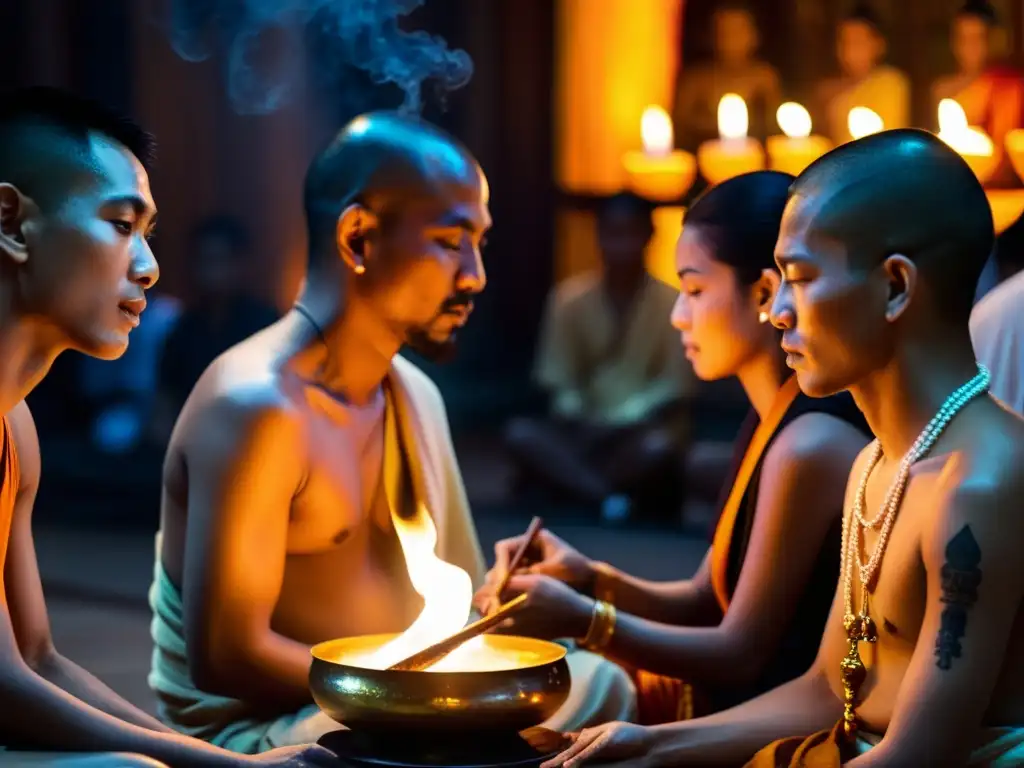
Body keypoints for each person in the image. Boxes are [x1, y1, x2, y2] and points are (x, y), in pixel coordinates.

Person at [149, 111, 636, 753]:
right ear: (358, 238)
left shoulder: (416, 395)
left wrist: (483, 626)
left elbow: (457, 608)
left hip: (403, 700)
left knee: (601, 688)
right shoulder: (256, 406)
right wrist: (418, 694)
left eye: (479, 245)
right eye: (449, 240)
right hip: (283, 726)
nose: (474, 276)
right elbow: (227, 657)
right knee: (409, 752)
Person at [544, 129, 1024, 767]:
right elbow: (829, 691)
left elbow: (916, 756)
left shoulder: (978, 486)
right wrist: (652, 746)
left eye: (799, 278)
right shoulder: (875, 463)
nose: (778, 313)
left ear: (895, 287)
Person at [0, 87, 331, 766]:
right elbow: (6, 688)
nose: (149, 267)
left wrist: (216, 761)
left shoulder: (16, 428)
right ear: (10, 222)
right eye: (122, 226)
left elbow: (36, 659)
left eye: (146, 234)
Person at [479, 171, 870, 723]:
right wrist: (588, 579)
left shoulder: (807, 444)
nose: (677, 315)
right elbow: (703, 600)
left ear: (763, 292)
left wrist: (584, 619)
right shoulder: (770, 420)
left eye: (694, 289)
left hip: (757, 725)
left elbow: (738, 653)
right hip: (591, 441)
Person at [504, 192, 696, 523]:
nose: (621, 245)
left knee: (658, 450)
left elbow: (676, 385)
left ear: (649, 236)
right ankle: (608, 498)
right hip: (583, 432)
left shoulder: (673, 303)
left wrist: (626, 417)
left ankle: (577, 490)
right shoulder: (569, 300)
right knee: (522, 435)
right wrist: (582, 416)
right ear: (598, 236)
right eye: (612, 233)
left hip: (641, 431)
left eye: (631, 233)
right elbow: (559, 380)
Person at [152, 214, 279, 440]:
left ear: (240, 264)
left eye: (220, 261)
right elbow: (165, 399)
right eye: (203, 261)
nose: (212, 273)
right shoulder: (183, 328)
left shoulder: (265, 324)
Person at [932, 1, 1024, 187]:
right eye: (962, 38)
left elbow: (1003, 155)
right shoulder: (942, 89)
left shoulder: (1007, 86)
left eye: (978, 38)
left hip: (996, 186)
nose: (969, 47)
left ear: (992, 40)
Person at [673, 2, 781, 151]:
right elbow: (680, 124)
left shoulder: (764, 77)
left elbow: (774, 125)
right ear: (710, 36)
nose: (731, 40)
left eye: (739, 31)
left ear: (755, 36)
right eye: (724, 32)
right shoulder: (696, 79)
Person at [816, 5, 910, 144]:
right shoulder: (829, 89)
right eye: (845, 42)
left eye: (858, 42)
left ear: (879, 45)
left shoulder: (890, 82)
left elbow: (889, 136)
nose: (850, 51)